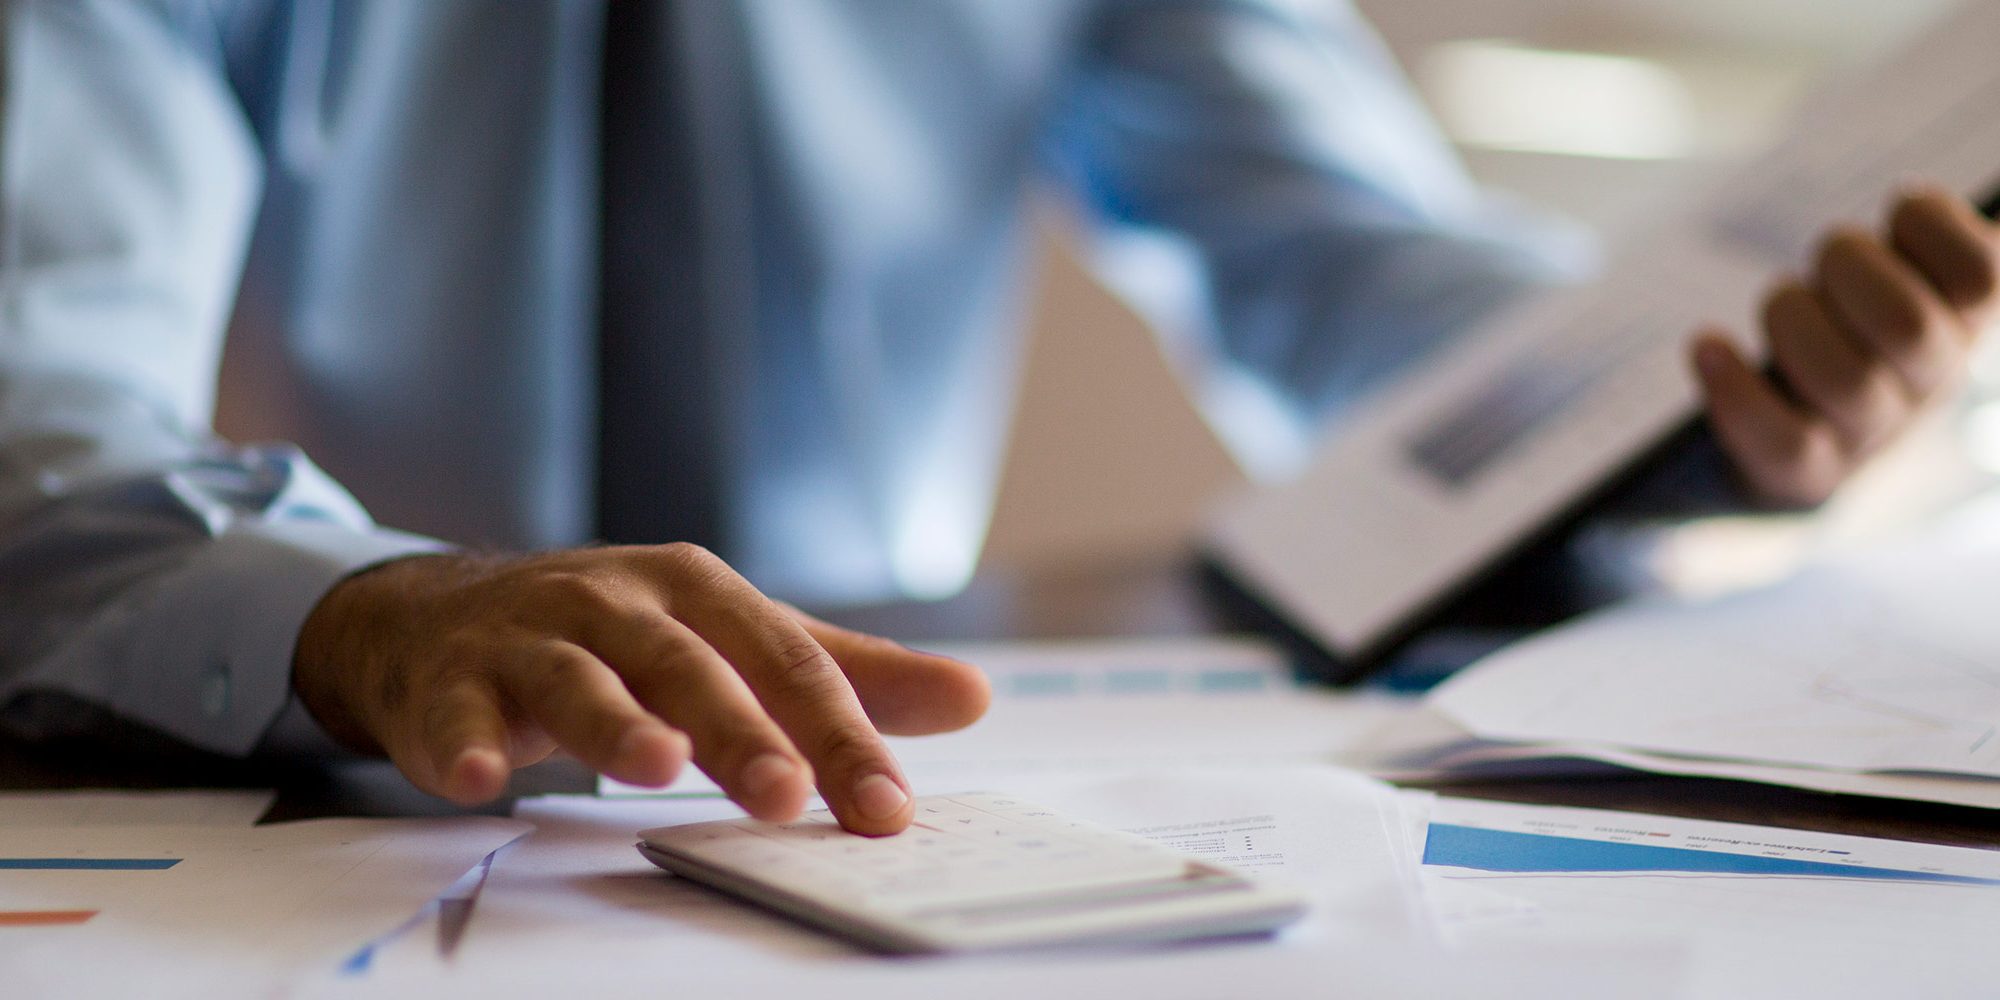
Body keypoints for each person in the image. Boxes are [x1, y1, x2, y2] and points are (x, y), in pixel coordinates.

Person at [2, 0, 1992, 834]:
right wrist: (360, 606)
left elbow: (1351, 268)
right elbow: (33, 381)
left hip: (869, 783)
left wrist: (1693, 414)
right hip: (326, 775)